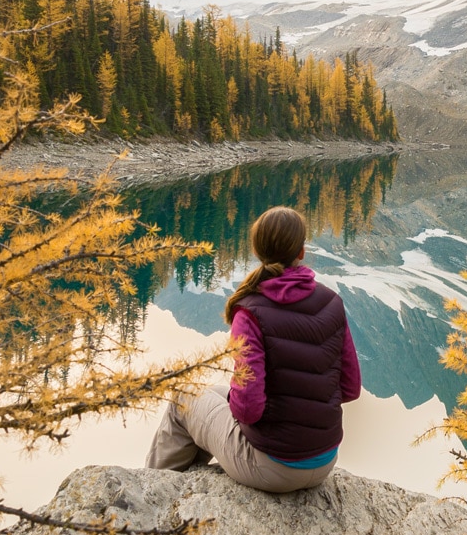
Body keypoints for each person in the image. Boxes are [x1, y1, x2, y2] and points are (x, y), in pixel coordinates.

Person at [145, 206, 361, 492]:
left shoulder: (251, 313)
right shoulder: (331, 302)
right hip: (323, 462)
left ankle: (150, 493)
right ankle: (182, 482)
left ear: (258, 251)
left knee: (183, 400)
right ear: (301, 252)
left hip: (272, 468)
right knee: (211, 393)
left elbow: (248, 411)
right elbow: (350, 389)